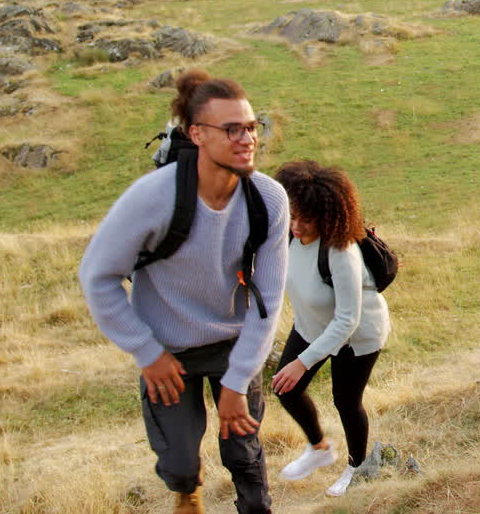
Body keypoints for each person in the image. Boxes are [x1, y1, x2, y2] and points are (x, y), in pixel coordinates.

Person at [79, 70, 289, 514]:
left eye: (251, 127)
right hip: (167, 349)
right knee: (178, 460)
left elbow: (268, 303)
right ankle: (186, 490)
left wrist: (237, 381)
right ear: (196, 133)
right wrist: (145, 351)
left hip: (235, 344)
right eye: (231, 129)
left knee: (243, 452)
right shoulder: (151, 197)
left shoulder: (268, 198)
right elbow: (97, 276)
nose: (246, 138)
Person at [270, 160, 390, 497]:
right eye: (291, 215)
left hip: (357, 336)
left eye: (303, 220)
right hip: (312, 325)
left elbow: (347, 319)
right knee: (285, 388)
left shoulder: (341, 250)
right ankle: (320, 448)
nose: (294, 226)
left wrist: (303, 361)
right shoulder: (291, 235)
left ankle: (357, 467)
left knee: (346, 401)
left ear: (325, 216)